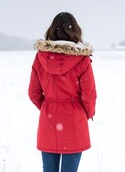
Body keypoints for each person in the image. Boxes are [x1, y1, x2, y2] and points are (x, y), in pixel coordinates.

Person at [28, 12, 97, 172]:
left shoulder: (40, 57)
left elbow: (33, 92)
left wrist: (48, 106)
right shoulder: (82, 60)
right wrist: (85, 114)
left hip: (48, 121)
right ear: (75, 31)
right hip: (74, 121)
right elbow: (89, 94)